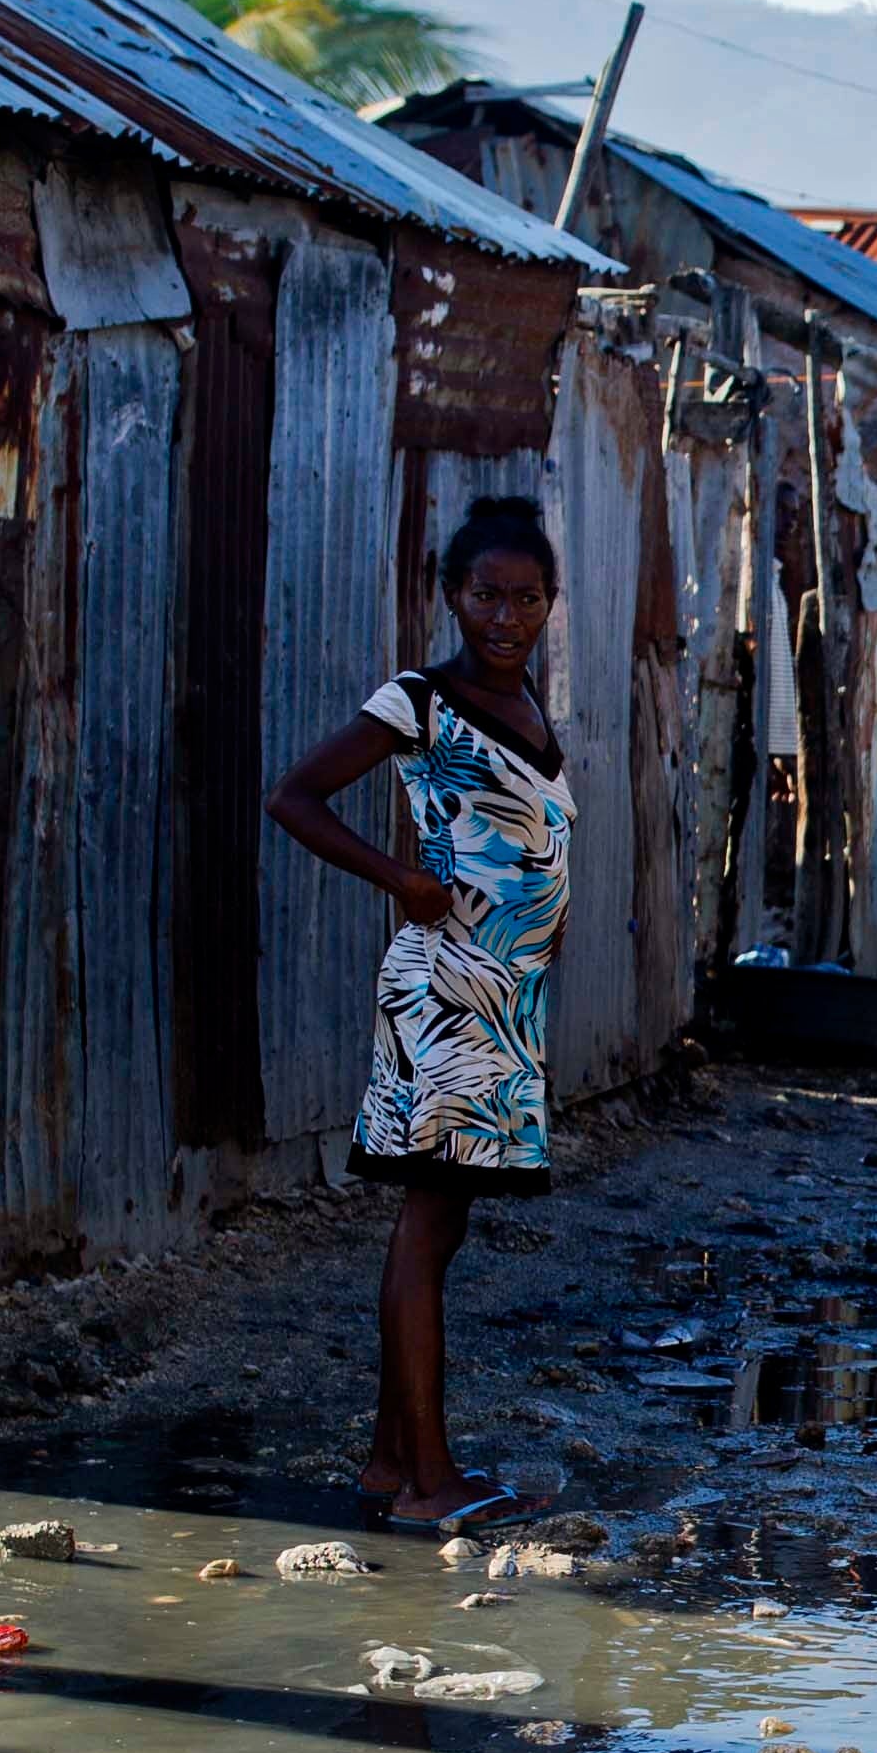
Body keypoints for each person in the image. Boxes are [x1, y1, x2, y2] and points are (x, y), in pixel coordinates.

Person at [267, 498, 570, 1530]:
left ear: (547, 605)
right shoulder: (419, 700)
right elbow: (294, 797)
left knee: (442, 1230)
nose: (506, 616)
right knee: (428, 1219)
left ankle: (391, 1464)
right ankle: (431, 1484)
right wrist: (399, 877)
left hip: (506, 1001)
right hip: (445, 990)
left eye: (527, 598)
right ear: (451, 596)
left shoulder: (528, 702)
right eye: (487, 595)